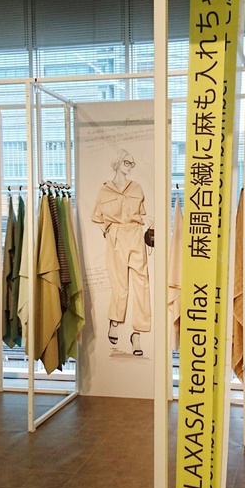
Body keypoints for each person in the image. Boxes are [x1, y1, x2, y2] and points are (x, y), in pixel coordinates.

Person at [92, 149, 151, 356]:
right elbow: (97, 217)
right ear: (117, 163)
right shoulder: (104, 191)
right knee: (120, 284)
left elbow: (142, 214)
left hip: (135, 234)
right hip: (116, 236)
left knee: (142, 283)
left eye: (132, 163)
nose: (130, 166)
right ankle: (115, 321)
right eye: (127, 162)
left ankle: (138, 334)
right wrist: (108, 232)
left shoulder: (137, 188)